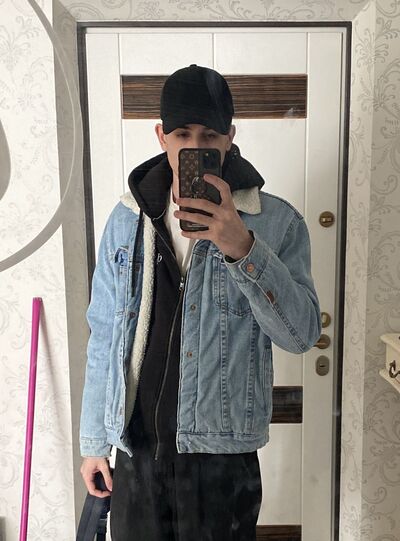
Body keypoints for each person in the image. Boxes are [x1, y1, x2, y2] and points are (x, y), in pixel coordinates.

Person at [79, 64, 322, 540]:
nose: (195, 146)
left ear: (230, 137)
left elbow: (302, 334)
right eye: (182, 134)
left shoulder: (277, 223)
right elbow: (104, 331)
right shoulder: (126, 219)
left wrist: (243, 248)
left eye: (209, 134)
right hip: (137, 448)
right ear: (161, 136)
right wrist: (94, 442)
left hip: (222, 459)